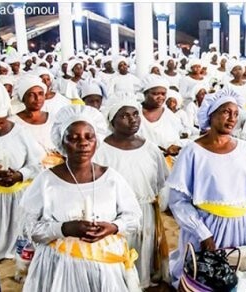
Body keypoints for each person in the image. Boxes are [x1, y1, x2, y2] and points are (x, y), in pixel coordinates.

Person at [19, 105, 142, 292]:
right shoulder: (46, 181)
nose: (83, 143)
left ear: (96, 141)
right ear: (62, 142)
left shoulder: (111, 178)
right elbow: (29, 228)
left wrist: (114, 227)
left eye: (88, 137)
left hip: (104, 263)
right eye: (73, 138)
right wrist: (64, 228)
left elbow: (133, 216)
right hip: (60, 264)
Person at [166, 88, 246, 288]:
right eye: (225, 112)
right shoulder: (193, 152)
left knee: (235, 277)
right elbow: (178, 200)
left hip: (241, 228)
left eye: (235, 114)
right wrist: (201, 232)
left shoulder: (245, 150)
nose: (232, 118)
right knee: (204, 278)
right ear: (210, 115)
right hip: (208, 228)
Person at [94, 100, 170, 288]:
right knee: (118, 254)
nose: (132, 119)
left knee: (143, 252)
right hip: (114, 214)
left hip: (145, 210)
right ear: (112, 120)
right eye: (125, 115)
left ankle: (141, 282)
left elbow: (162, 181)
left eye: (135, 114)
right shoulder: (101, 150)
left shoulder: (151, 148)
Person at [0, 81, 44, 260]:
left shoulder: (20, 132)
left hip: (18, 203)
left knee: (20, 251)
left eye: (0, 121)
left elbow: (37, 165)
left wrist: (19, 174)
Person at [138, 74, 188, 165]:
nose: (160, 97)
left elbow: (175, 140)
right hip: (141, 162)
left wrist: (173, 148)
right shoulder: (136, 114)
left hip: (165, 163)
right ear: (145, 94)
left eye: (163, 94)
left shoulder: (169, 116)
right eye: (155, 94)